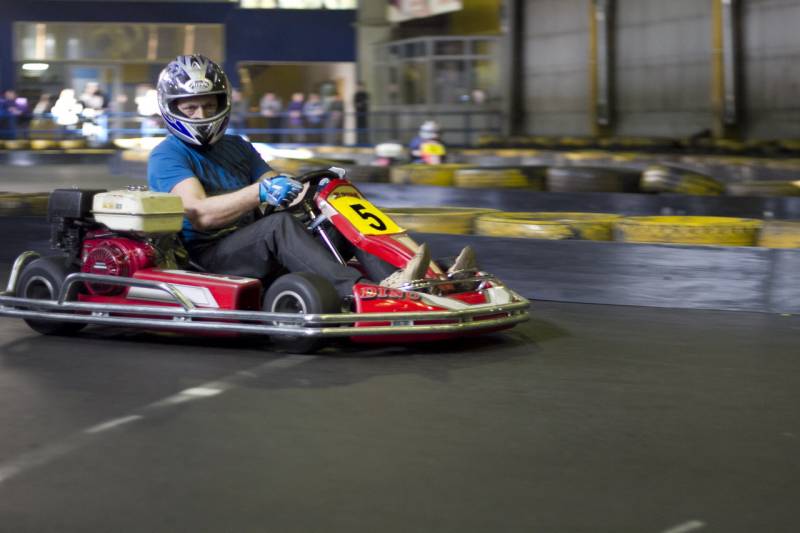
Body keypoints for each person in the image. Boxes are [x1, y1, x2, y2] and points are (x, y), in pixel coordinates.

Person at [147, 55, 475, 301]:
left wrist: (315, 188)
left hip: (253, 244)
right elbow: (201, 214)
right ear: (172, 108)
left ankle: (414, 278)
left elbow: (275, 181)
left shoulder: (237, 146)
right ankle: (359, 292)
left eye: (208, 106)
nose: (202, 115)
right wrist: (261, 192)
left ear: (223, 103)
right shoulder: (168, 155)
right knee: (277, 226)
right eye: (191, 108)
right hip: (210, 256)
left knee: (337, 218)